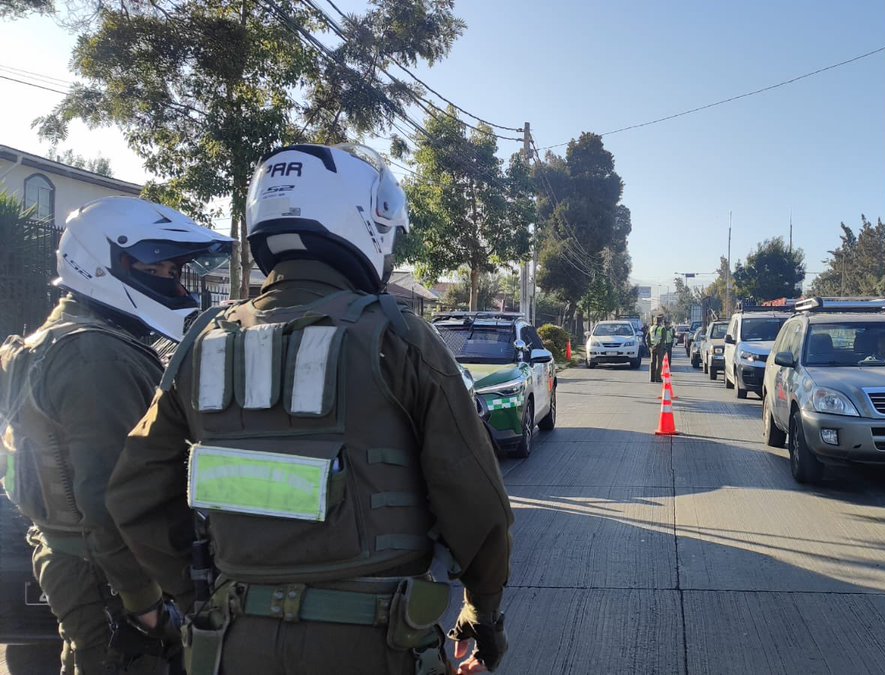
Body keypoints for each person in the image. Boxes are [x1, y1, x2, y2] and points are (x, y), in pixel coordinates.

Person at [106, 144, 514, 675]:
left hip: (234, 644)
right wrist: (481, 614)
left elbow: (133, 495)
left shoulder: (203, 342)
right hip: (374, 645)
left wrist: (198, 598)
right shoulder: (399, 336)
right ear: (359, 220)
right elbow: (475, 500)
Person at [0, 196, 233, 674]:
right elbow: (108, 492)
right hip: (110, 577)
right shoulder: (94, 355)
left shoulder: (58, 338)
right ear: (104, 263)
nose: (173, 280)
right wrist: (144, 601)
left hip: (84, 564)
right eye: (161, 270)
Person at [649, 316, 675, 383]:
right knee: (659, 363)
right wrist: (660, 346)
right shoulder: (662, 328)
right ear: (661, 321)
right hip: (659, 348)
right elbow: (663, 339)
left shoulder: (651, 328)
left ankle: (652, 378)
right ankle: (658, 378)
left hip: (653, 347)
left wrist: (650, 346)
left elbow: (647, 338)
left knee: (652, 362)